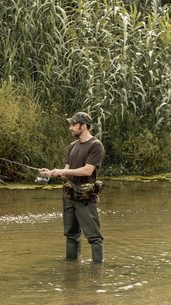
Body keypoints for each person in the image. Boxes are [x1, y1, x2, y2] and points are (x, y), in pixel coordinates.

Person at [39, 112, 105, 263]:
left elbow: (88, 170)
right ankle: (71, 270)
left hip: (85, 198)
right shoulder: (72, 146)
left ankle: (97, 273)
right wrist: (51, 173)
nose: (71, 128)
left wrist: (63, 171)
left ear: (84, 126)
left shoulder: (96, 145)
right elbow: (66, 171)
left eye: (74, 124)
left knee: (94, 238)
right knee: (71, 235)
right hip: (69, 196)